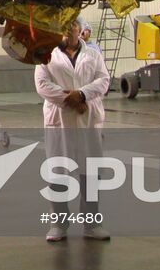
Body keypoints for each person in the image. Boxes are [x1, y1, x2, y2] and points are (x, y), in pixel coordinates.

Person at [35, 22, 112, 242]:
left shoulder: (93, 54)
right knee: (58, 173)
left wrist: (83, 95)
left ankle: (91, 225)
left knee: (91, 173)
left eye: (73, 25)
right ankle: (59, 224)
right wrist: (70, 99)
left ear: (81, 29)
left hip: (87, 117)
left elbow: (103, 80)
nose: (69, 29)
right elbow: (41, 84)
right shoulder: (46, 53)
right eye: (65, 25)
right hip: (60, 118)